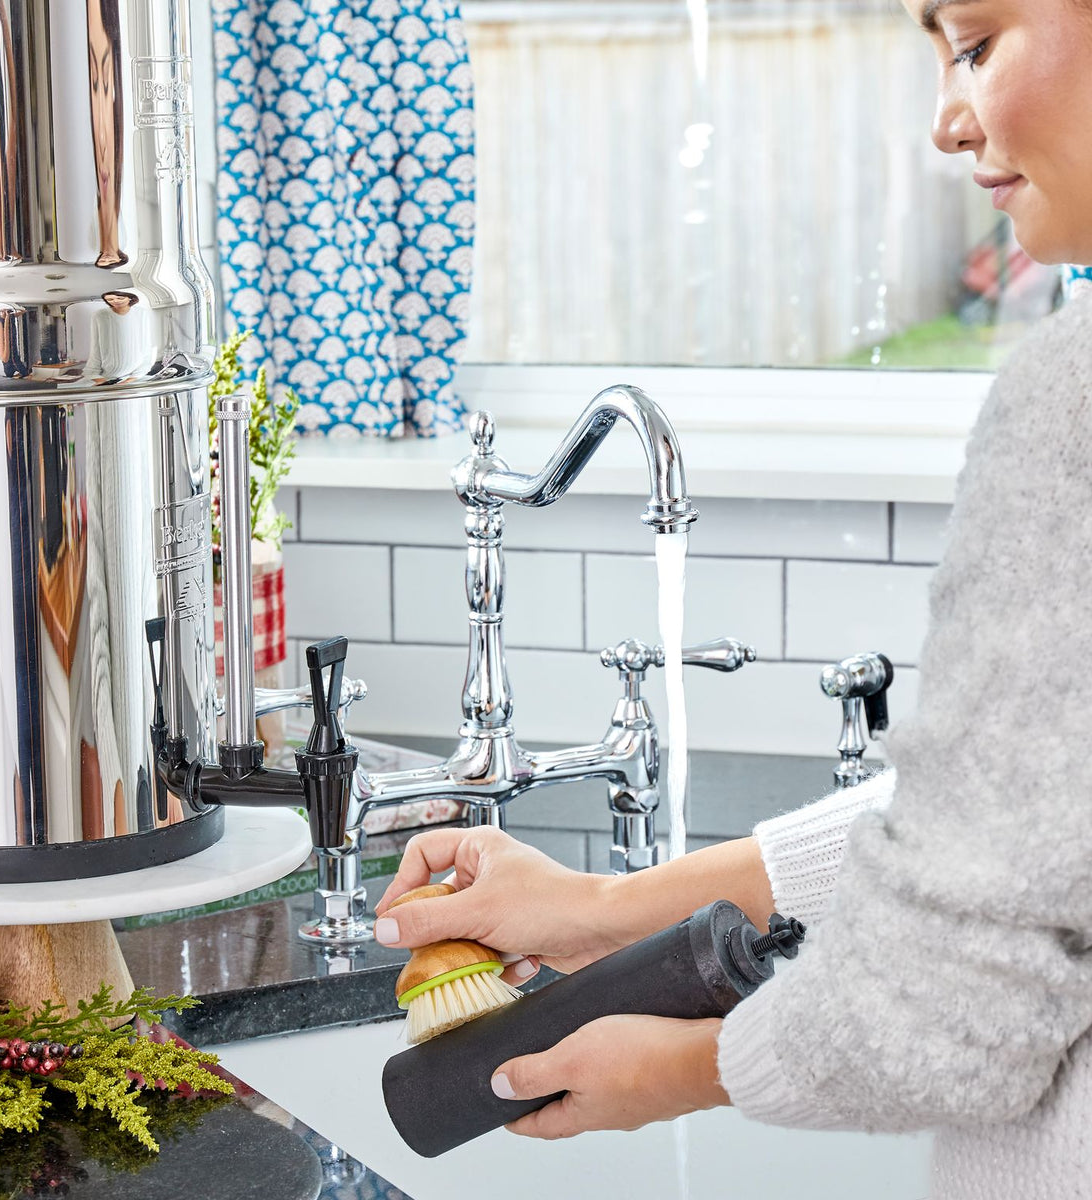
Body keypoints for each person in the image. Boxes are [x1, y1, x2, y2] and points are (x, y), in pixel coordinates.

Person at [375, 0, 1092, 1193]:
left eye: (973, 42)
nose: (946, 125)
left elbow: (958, 997)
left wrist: (683, 1070)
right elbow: (1027, 818)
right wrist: (603, 907)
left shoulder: (1072, 403)